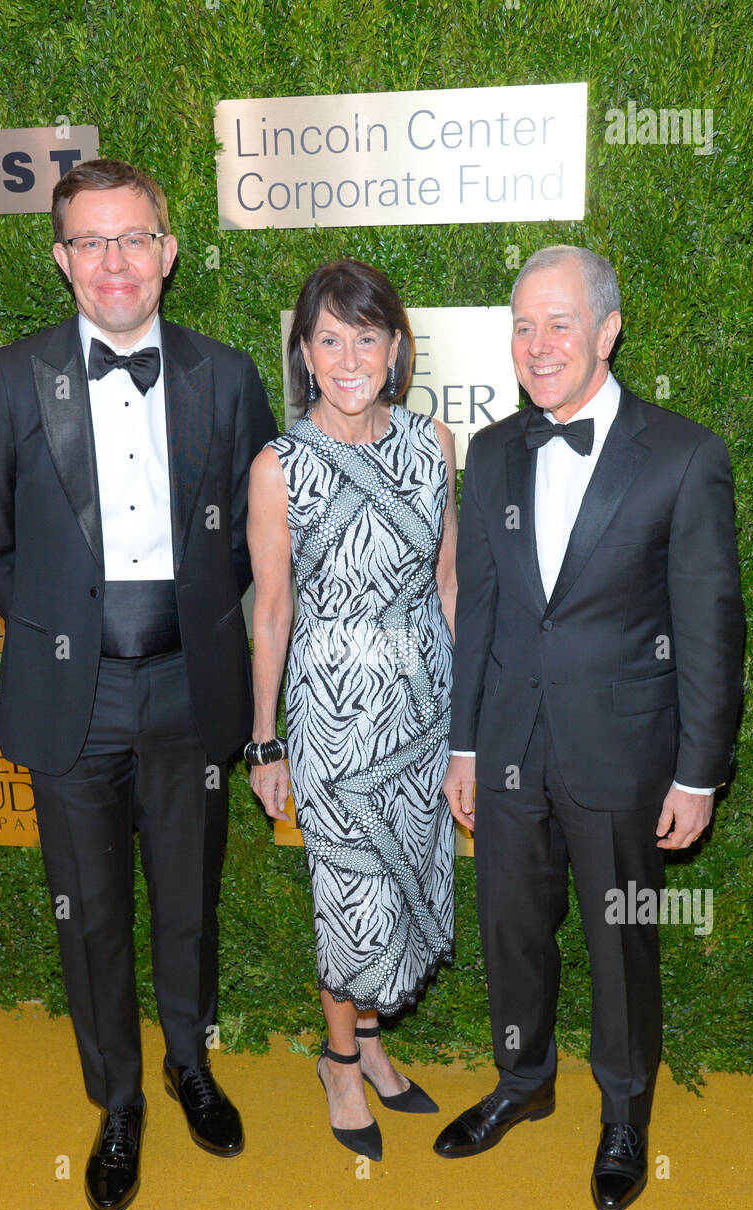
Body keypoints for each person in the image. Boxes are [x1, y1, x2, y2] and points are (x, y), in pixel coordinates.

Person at [0, 159, 277, 1210]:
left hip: (192, 685)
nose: (115, 262)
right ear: (62, 259)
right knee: (88, 913)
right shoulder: (8, 378)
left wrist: (195, 639)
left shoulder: (227, 378)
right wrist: (66, 640)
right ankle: (118, 1099)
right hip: (71, 693)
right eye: (90, 242)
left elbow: (252, 542)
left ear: (169, 250)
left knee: (186, 898)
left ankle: (189, 1064)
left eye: (133, 237)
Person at [437, 246, 744, 1210]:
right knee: (512, 933)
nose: (537, 345)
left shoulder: (684, 456)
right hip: (510, 749)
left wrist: (698, 773)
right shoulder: (489, 455)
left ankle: (623, 1116)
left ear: (608, 331)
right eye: (522, 326)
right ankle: (522, 1085)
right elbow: (478, 615)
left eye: (558, 323)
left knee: (620, 945)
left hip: (624, 756)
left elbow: (709, 627)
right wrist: (464, 745)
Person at [247, 260, 457, 1160]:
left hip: (422, 709)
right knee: (349, 895)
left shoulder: (434, 444)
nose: (346, 356)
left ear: (395, 347)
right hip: (332, 712)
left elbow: (448, 583)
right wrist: (265, 743)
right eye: (326, 338)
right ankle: (337, 1060)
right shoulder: (277, 466)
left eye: (363, 336)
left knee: (403, 886)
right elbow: (272, 610)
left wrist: (466, 733)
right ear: (302, 353)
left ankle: (371, 1042)